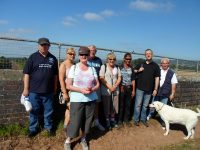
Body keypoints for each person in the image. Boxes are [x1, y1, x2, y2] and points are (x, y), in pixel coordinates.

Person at [64, 47, 100, 150]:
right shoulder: (74, 68)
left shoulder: (92, 69)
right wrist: (81, 90)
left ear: (88, 56)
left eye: (86, 55)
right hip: (77, 100)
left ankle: (83, 139)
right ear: (79, 56)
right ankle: (68, 140)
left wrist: (92, 89)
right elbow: (68, 86)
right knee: (75, 121)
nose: (84, 56)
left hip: (91, 99)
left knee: (87, 121)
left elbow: (97, 84)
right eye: (81, 55)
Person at [22, 37, 58, 137]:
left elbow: (56, 75)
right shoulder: (33, 57)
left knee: (48, 111)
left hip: (49, 91)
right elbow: (26, 74)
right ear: (38, 45)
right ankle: (33, 129)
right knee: (33, 111)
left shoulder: (53, 58)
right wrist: (25, 88)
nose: (44, 47)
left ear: (49, 46)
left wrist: (55, 87)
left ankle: (48, 128)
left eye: (46, 45)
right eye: (42, 45)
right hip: (34, 91)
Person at [133, 49, 160, 127]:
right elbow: (134, 70)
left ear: (152, 55)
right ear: (145, 55)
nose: (148, 55)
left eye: (149, 53)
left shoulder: (155, 66)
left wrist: (155, 89)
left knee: (145, 106)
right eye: (147, 54)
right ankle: (136, 120)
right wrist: (138, 70)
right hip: (140, 88)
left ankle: (143, 119)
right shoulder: (141, 63)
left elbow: (157, 78)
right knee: (138, 105)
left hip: (149, 89)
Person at [99, 52, 121, 129]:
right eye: (110, 59)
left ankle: (112, 120)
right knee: (106, 107)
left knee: (114, 106)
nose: (112, 60)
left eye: (113, 59)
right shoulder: (103, 67)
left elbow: (119, 77)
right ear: (107, 59)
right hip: (106, 91)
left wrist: (115, 86)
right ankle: (107, 121)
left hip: (115, 90)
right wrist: (109, 87)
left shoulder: (117, 67)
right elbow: (101, 78)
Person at [88, 45, 105, 131]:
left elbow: (101, 73)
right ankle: (87, 123)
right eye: (91, 50)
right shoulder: (85, 58)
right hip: (87, 86)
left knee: (96, 104)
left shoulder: (99, 60)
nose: (92, 51)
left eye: (94, 50)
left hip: (97, 85)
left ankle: (97, 122)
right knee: (87, 104)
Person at [58, 48, 76, 130]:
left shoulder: (74, 65)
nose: (72, 55)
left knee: (69, 109)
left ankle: (66, 125)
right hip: (67, 91)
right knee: (70, 108)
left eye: (73, 54)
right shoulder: (63, 65)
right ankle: (66, 126)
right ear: (66, 54)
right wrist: (64, 92)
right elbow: (61, 79)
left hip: (74, 90)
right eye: (70, 54)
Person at [118, 53, 136, 127]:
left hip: (129, 88)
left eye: (130, 59)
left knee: (128, 105)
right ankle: (119, 120)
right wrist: (120, 86)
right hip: (122, 88)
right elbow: (117, 78)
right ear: (124, 59)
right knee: (121, 105)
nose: (128, 60)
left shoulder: (131, 68)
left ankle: (126, 120)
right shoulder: (119, 67)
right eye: (127, 59)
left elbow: (133, 80)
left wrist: (133, 90)